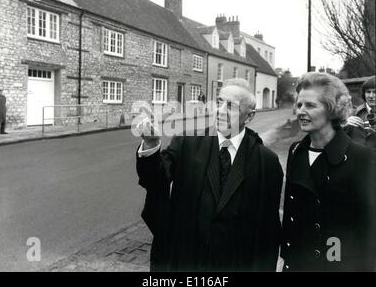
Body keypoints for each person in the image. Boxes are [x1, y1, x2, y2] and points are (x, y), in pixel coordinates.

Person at [136, 78, 283, 271]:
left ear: (249, 116)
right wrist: (151, 144)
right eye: (219, 102)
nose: (220, 111)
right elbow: (154, 180)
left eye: (230, 106)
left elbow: (268, 230)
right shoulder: (187, 143)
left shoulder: (267, 162)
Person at [281, 72, 375, 272]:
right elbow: (291, 214)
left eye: (310, 105)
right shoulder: (296, 151)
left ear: (332, 110)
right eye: (299, 105)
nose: (300, 112)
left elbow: (369, 229)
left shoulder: (362, 157)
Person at [343, 76, 376, 149]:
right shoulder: (353, 113)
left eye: (374, 92)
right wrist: (344, 125)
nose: (371, 96)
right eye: (368, 92)